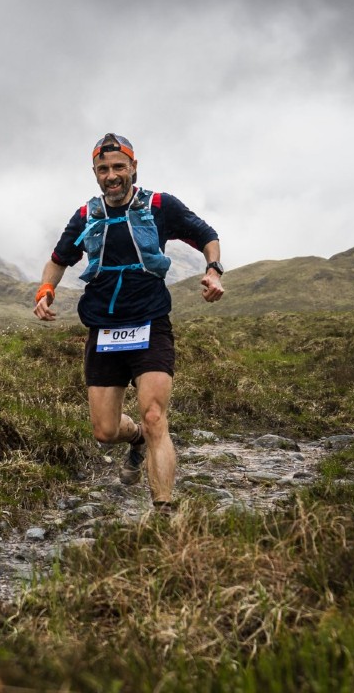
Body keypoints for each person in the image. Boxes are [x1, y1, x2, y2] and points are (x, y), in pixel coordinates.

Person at [33, 133, 224, 512]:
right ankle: (135, 439)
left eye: (119, 167)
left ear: (133, 167)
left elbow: (206, 235)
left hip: (150, 321)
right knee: (105, 431)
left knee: (154, 416)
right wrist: (45, 290)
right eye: (103, 169)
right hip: (103, 327)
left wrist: (214, 270)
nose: (112, 175)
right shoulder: (87, 216)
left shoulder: (159, 206)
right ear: (95, 174)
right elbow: (58, 259)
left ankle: (164, 512)